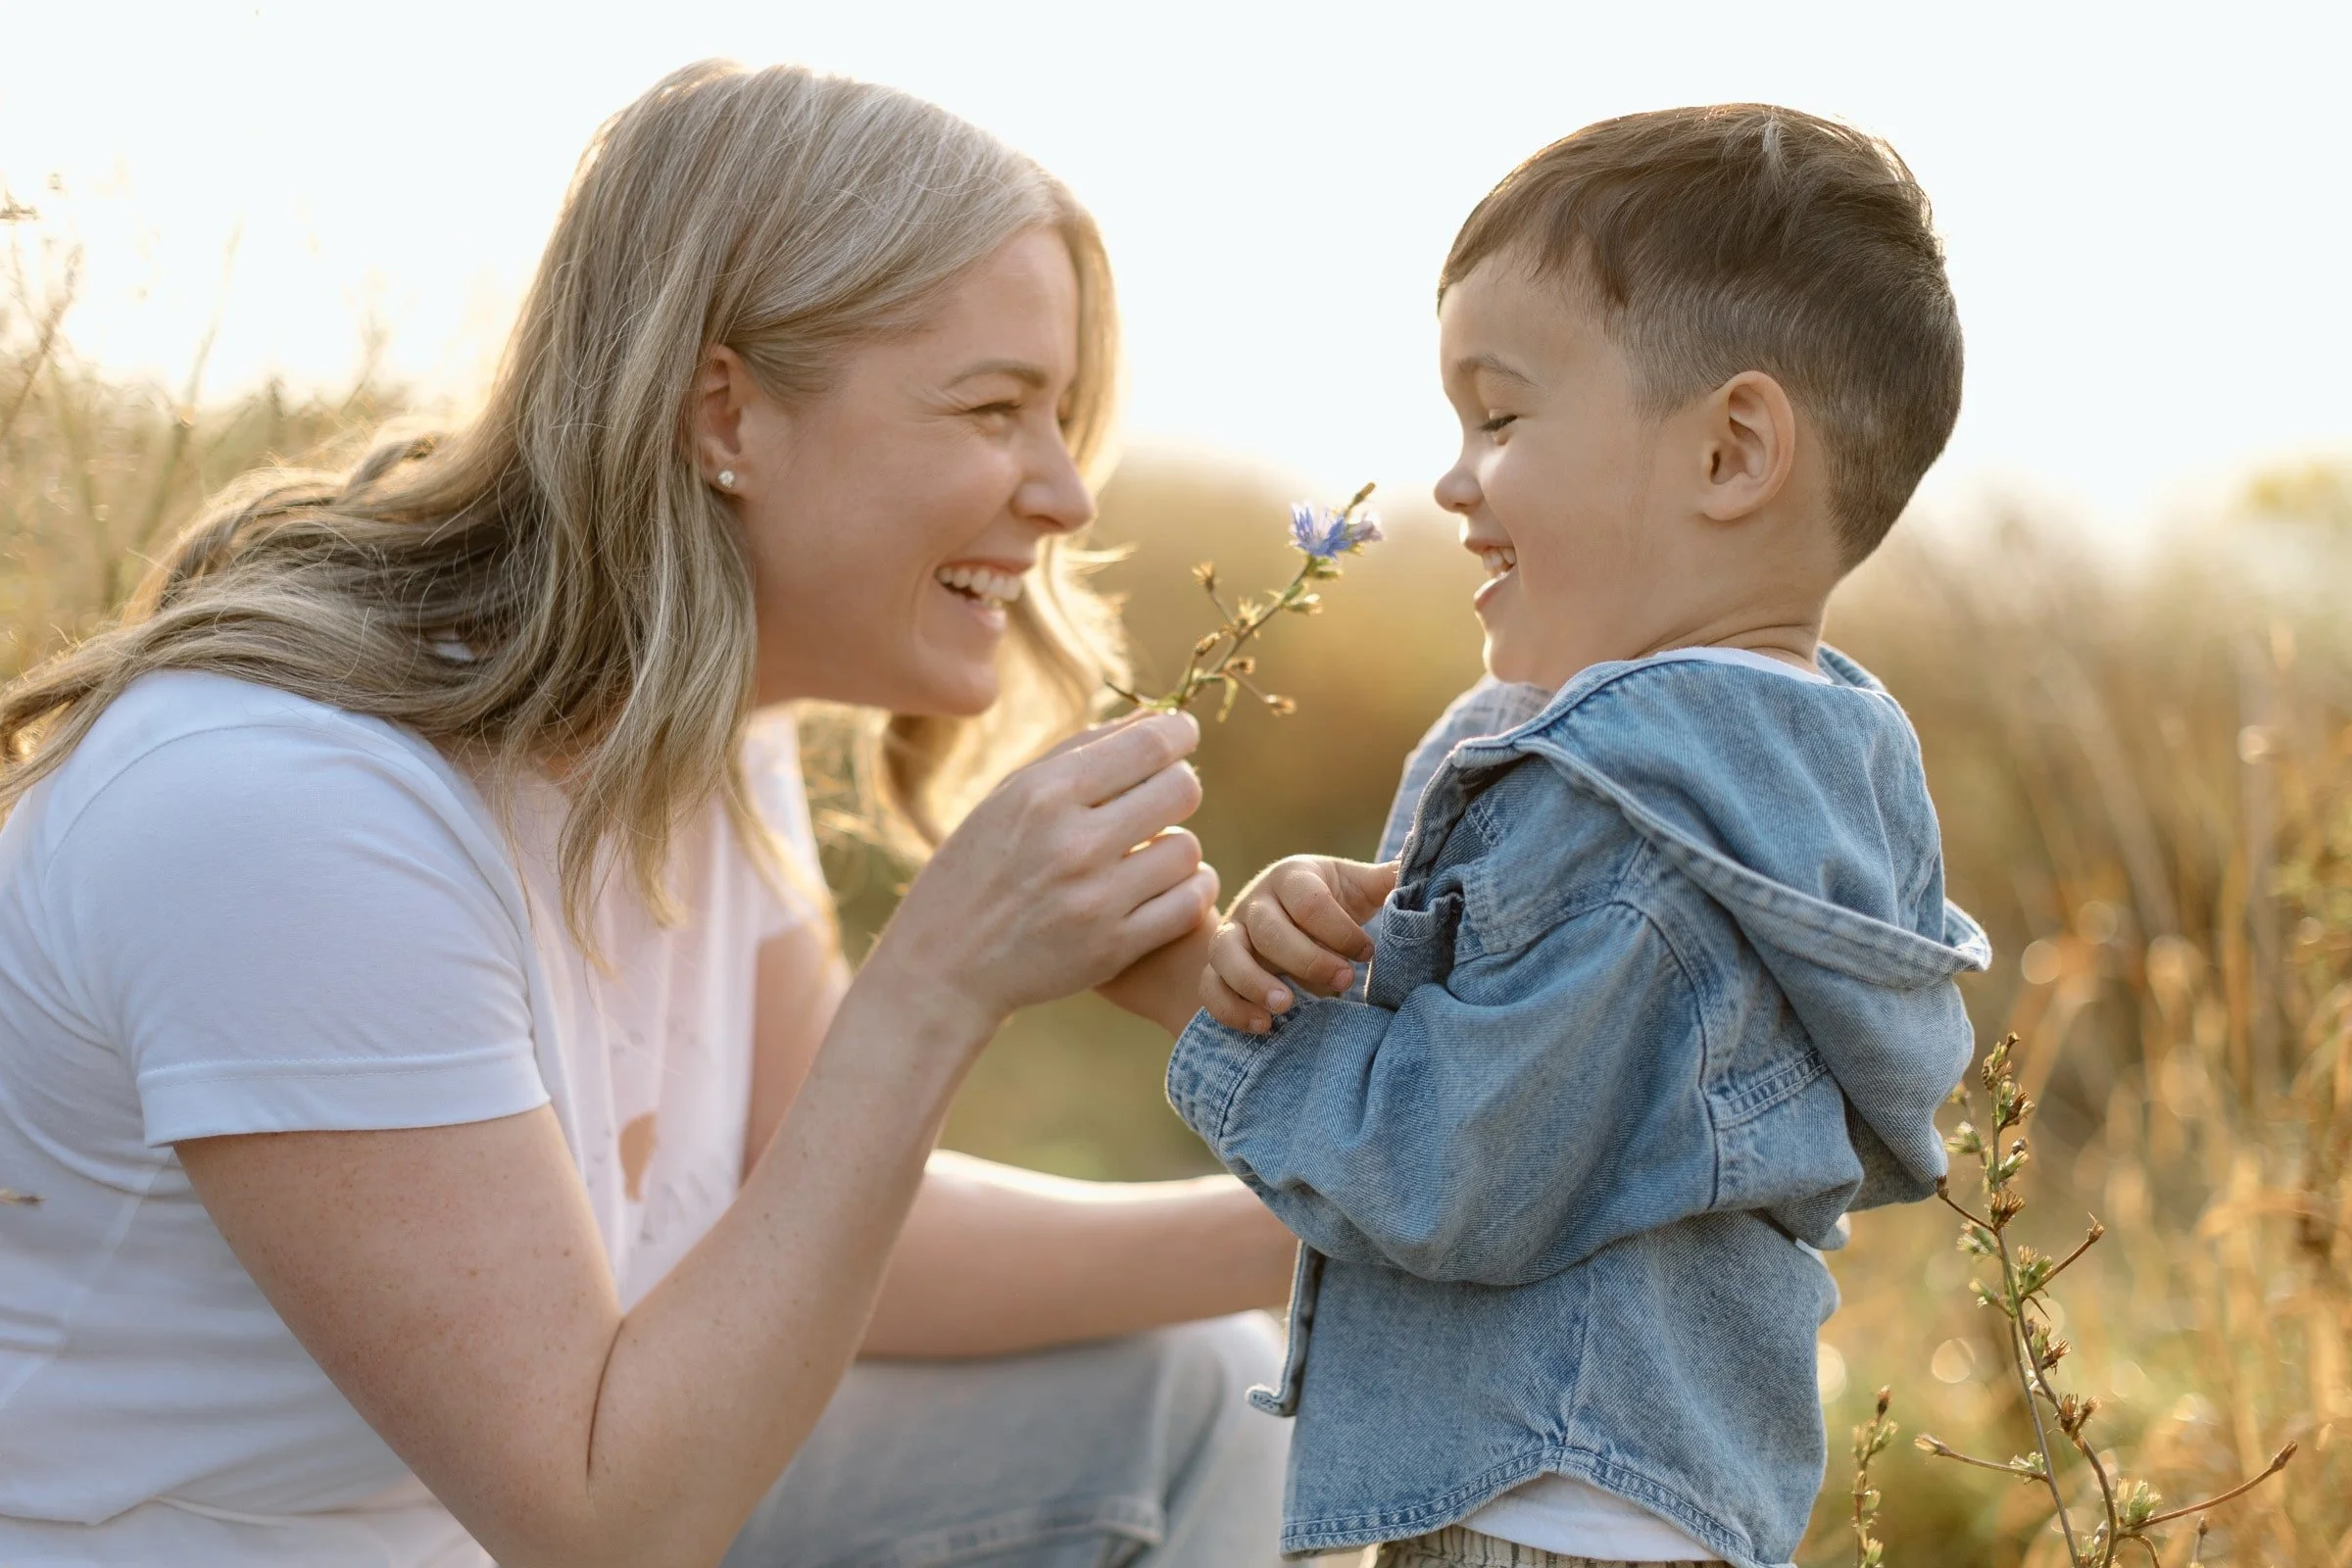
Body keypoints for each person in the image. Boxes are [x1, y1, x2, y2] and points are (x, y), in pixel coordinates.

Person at [0, 61, 1295, 1568]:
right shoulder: (292, 813)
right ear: (723, 412)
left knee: (1203, 1389)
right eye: (997, 408)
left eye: (1063, 416)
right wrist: (934, 986)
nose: (1069, 495)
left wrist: (1320, 1230)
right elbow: (602, 1518)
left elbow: (806, 1224)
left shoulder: (705, 741)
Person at [1169, 106, 1992, 1568]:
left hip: (1547, 1501)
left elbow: (1450, 1166)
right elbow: (1539, 1078)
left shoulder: (1628, 815)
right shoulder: (1783, 782)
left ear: (1733, 453)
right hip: (1617, 1490)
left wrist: (1202, 1002)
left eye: (1500, 417)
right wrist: (1318, 941)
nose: (1453, 481)